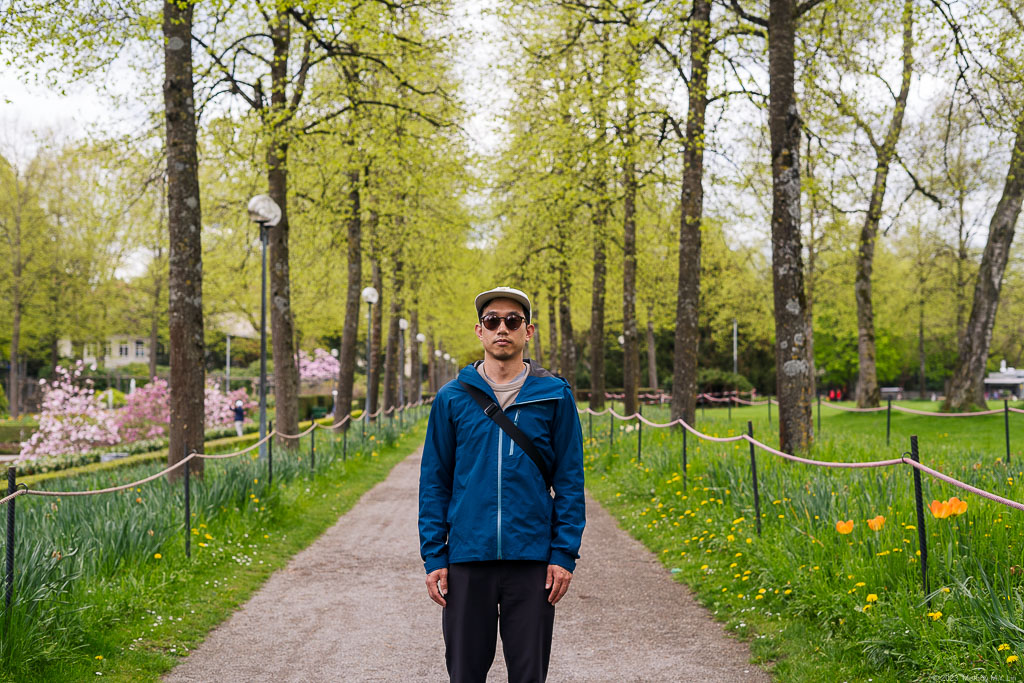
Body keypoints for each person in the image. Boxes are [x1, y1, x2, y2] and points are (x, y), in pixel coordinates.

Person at [418, 286, 586, 683]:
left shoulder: (555, 396)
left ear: (529, 331)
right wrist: (434, 557)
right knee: (465, 673)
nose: (502, 329)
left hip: (532, 560)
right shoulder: (452, 398)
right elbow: (434, 483)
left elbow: (571, 480)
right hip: (467, 557)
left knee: (528, 676)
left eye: (513, 321)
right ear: (479, 331)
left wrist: (564, 554)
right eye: (493, 321)